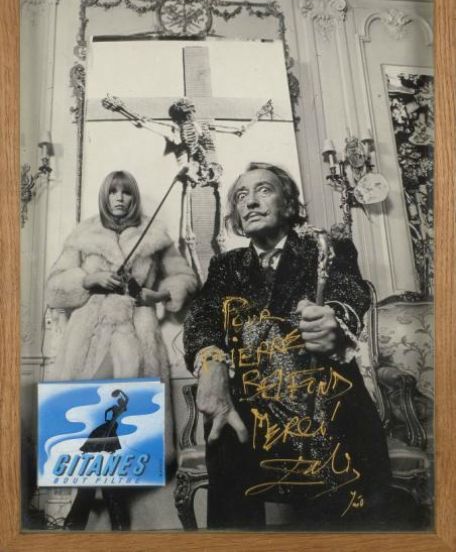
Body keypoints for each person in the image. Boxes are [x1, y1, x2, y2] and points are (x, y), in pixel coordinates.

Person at [183, 162, 392, 530]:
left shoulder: (327, 247)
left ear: (289, 204)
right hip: (250, 414)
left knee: (349, 525)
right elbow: (203, 315)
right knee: (224, 435)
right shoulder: (226, 266)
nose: (250, 202)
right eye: (241, 196)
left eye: (263, 190)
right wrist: (211, 362)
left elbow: (349, 290)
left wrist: (335, 320)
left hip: (324, 408)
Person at [46, 170, 197, 529]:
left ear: (133, 198)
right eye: (113, 192)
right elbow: (54, 287)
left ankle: (90, 502)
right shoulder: (83, 235)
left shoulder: (155, 236)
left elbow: (186, 279)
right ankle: (103, 503)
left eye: (126, 192)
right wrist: (89, 279)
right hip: (90, 334)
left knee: (122, 420)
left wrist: (159, 294)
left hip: (134, 331)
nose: (119, 198)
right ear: (105, 196)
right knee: (89, 417)